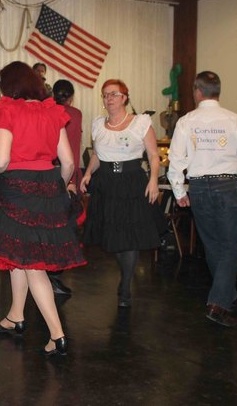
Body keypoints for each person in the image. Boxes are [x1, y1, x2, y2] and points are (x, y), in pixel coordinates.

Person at [0, 61, 86, 356]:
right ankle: (16, 315)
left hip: (16, 187)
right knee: (18, 254)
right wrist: (55, 188)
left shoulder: (8, 110)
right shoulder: (52, 111)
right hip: (48, 184)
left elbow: (0, 161)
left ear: (9, 85)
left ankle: (57, 335)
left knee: (33, 265)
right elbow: (68, 162)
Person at [167, 71, 237, 327]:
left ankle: (227, 295)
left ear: (197, 91)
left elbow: (176, 161)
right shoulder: (234, 120)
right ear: (217, 91)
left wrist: (179, 192)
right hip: (226, 186)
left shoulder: (186, 121)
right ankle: (218, 304)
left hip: (198, 188)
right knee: (230, 246)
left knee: (212, 246)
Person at [80, 79, 164, 308]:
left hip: (132, 182)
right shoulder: (98, 124)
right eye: (105, 95)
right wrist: (87, 173)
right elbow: (97, 155)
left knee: (129, 238)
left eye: (114, 94)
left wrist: (153, 179)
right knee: (115, 236)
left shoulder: (140, 123)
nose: (109, 98)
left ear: (125, 97)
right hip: (106, 183)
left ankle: (125, 286)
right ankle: (125, 276)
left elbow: (153, 155)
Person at [48, 79, 83, 296]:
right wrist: (72, 180)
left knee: (46, 227)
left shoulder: (46, 110)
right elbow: (74, 150)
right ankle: (53, 276)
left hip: (45, 174)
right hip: (65, 173)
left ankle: (44, 275)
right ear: (71, 97)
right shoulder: (75, 114)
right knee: (63, 229)